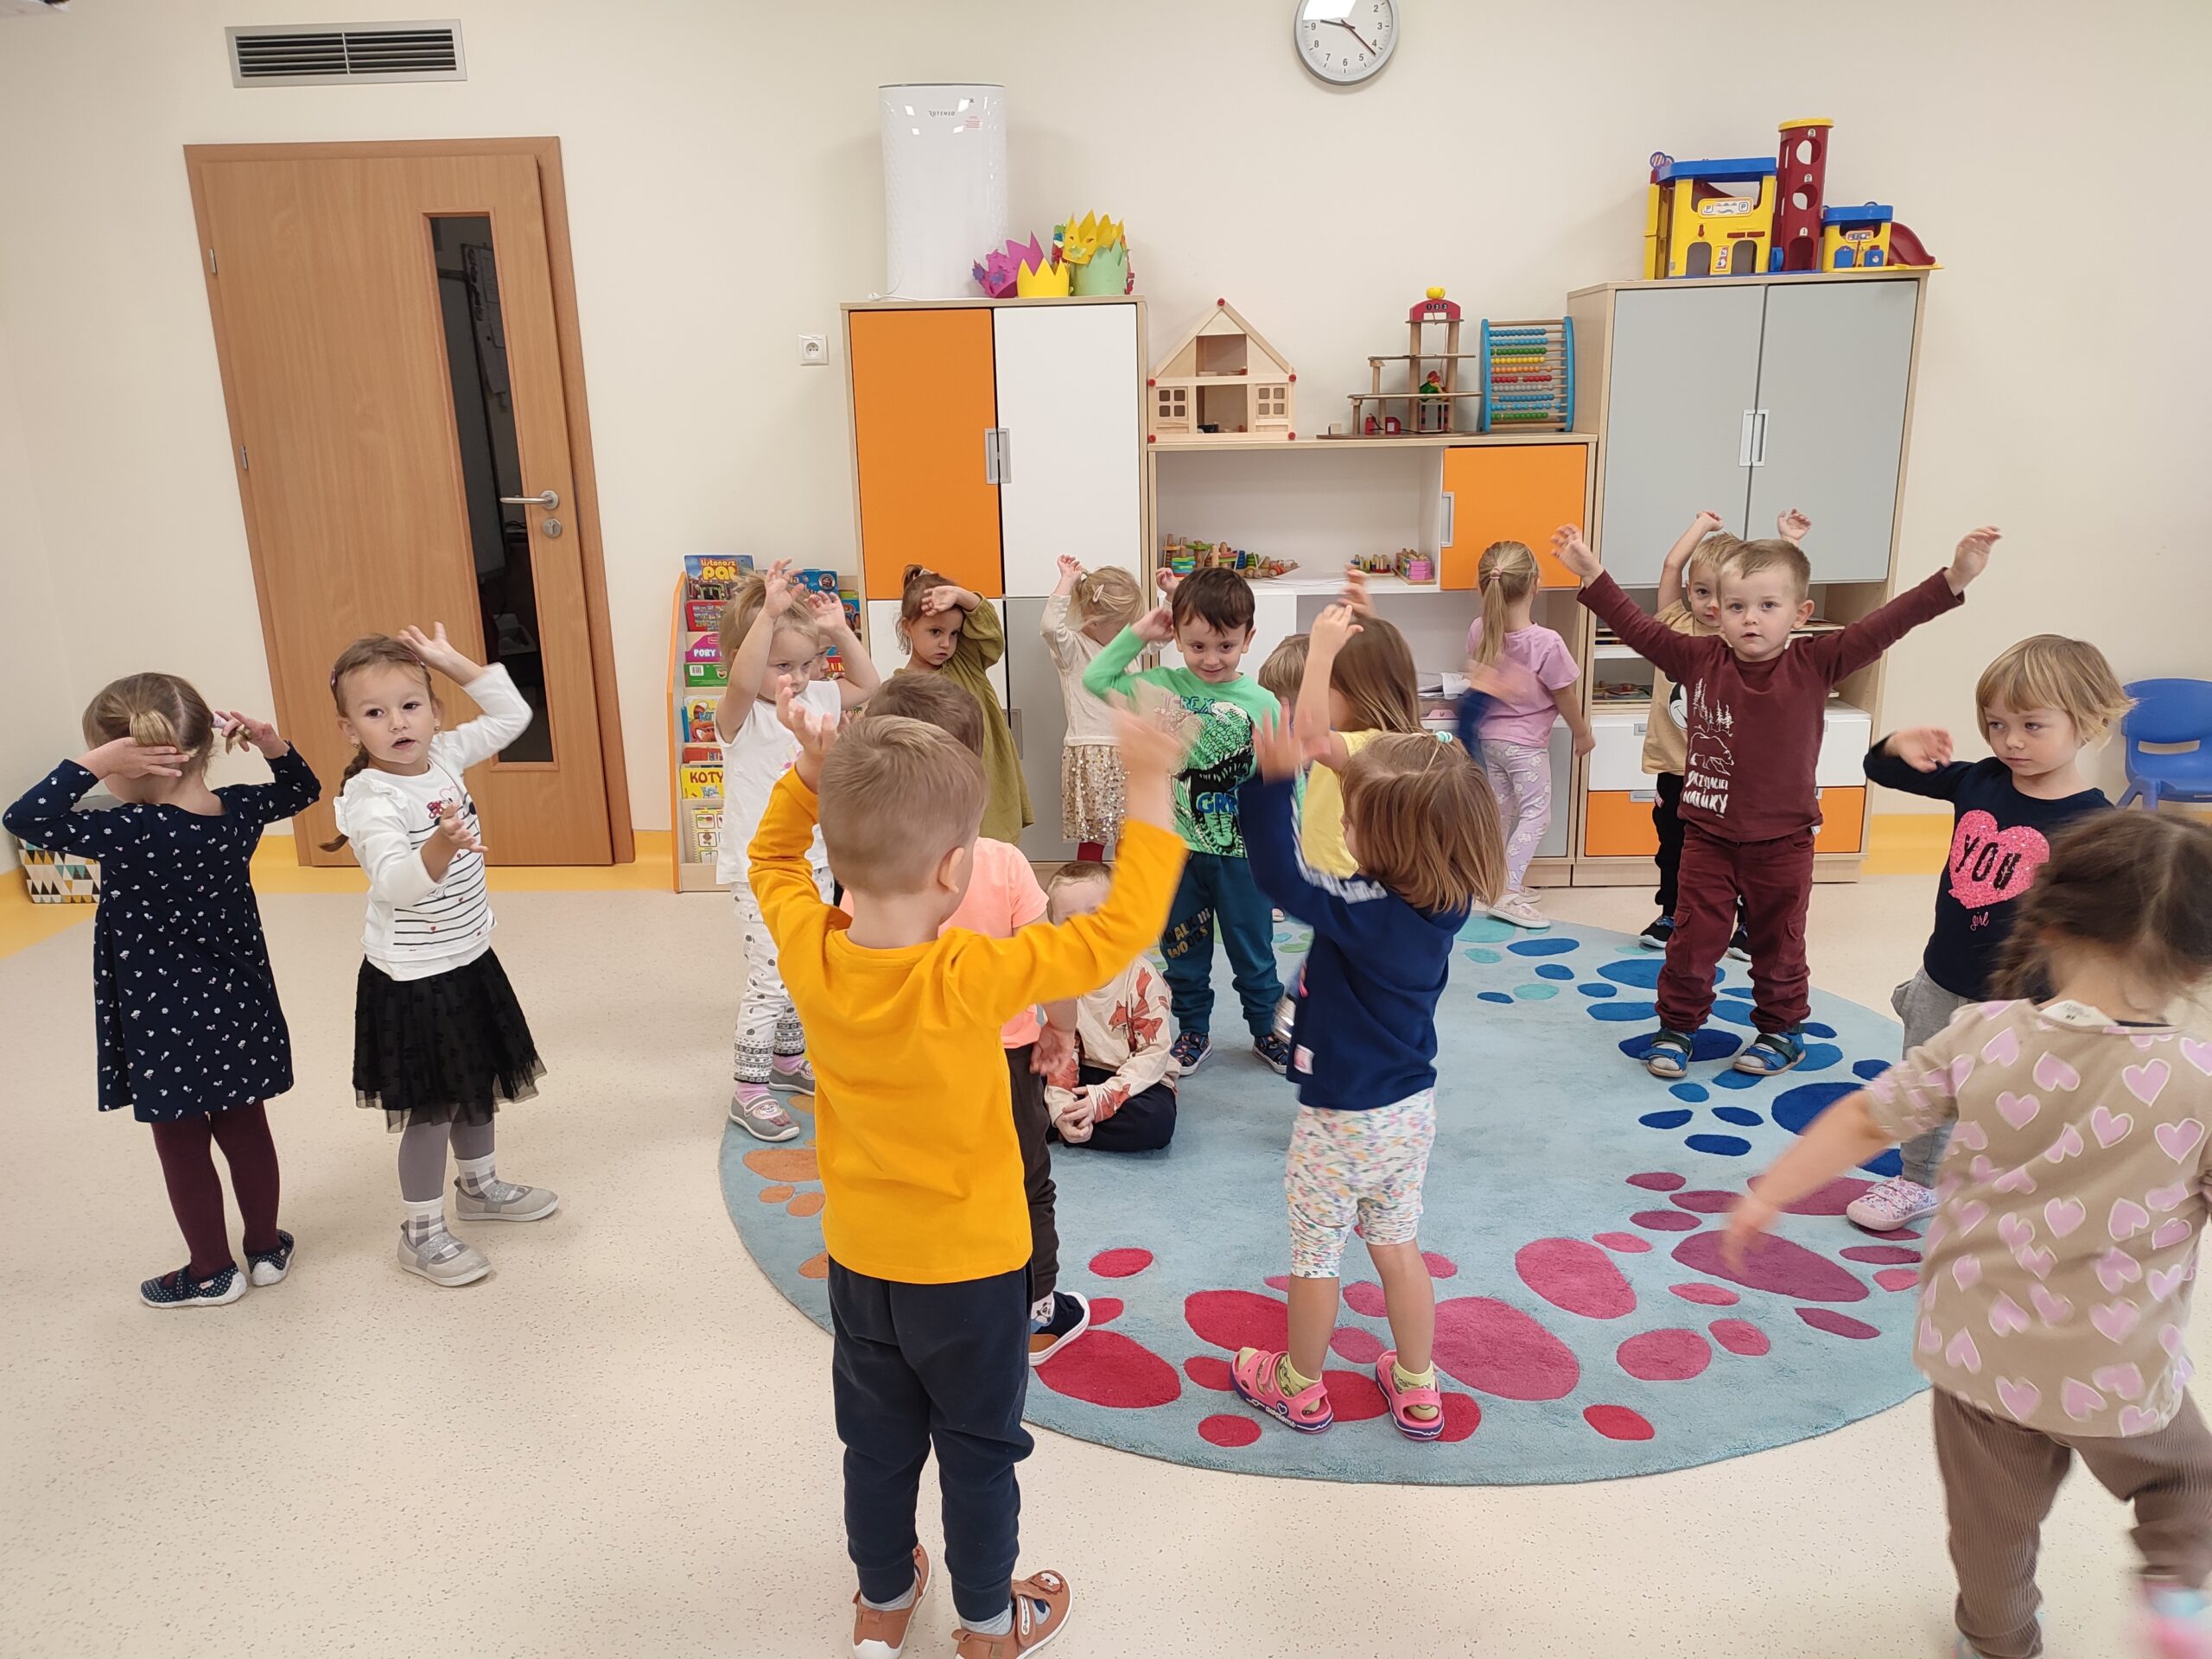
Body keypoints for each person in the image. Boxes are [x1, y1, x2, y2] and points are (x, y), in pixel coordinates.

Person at [752, 678, 1186, 1658]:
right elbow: (1117, 932)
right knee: (980, 1451)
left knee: (876, 1444)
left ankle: (881, 1599)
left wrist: (809, 775)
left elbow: (771, 859)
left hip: (861, 1263)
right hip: (974, 1271)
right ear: (956, 870)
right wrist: (1150, 781)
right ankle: (988, 1621)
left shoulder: (811, 951)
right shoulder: (969, 975)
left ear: (839, 858)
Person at [1726, 811, 2212, 1659]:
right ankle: (2177, 1589)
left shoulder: (1980, 1035)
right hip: (2115, 1359)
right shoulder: (2198, 1080)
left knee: (1991, 1528)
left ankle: (1996, 1642)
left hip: (1977, 1349)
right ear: (2197, 964)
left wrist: (1772, 1191)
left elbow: (1865, 1118)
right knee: (2185, 1480)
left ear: (2046, 922)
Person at [1559, 519, 1999, 1080]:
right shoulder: (1698, 659)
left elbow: (1888, 622)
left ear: (1800, 613)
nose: (1751, 618)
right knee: (1692, 942)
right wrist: (1593, 573)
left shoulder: (1816, 662)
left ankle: (1782, 1031)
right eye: (1737, 606)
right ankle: (1678, 1026)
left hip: (1783, 845)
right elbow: (1638, 628)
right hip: (1707, 840)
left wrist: (1955, 576)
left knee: (1779, 946)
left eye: (1768, 606)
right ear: (1717, 611)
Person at [1229, 709, 1505, 1438]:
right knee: (1397, 1245)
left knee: (1316, 1255)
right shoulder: (1447, 896)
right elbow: (1439, 791)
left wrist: (1271, 780)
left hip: (1340, 1121)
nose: (1344, 827)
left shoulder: (1365, 912)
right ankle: (1417, 1386)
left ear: (1389, 840)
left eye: (1352, 819)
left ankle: (1299, 1386)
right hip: (1409, 1113)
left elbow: (1280, 874)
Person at [4, 677, 318, 1307]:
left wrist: (94, 763)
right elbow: (301, 790)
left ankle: (211, 1272)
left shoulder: (128, 830)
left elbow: (25, 818)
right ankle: (265, 1250)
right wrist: (272, 744)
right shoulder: (238, 812)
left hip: (161, 1018)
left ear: (130, 761)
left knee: (181, 1143)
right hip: (239, 1005)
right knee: (247, 1127)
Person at [1844, 633, 2131, 1233]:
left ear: (2089, 721)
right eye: (1997, 725)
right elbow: (1880, 770)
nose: (2011, 741)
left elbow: (2111, 923)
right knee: (1926, 1083)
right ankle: (1916, 1181)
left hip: (2025, 1000)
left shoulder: (2096, 823)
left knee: (2010, 1097)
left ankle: (2005, 1187)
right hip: (1944, 972)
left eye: (2032, 726)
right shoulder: (1979, 780)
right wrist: (1896, 745)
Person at [852, 673, 1090, 1365]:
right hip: (1004, 1058)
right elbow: (1053, 968)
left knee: (927, 1176)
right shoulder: (1005, 863)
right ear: (975, 775)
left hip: (911, 1058)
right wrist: (1062, 1029)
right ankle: (1037, 1312)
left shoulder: (867, 876)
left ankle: (926, 1297)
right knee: (1025, 1176)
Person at [327, 625, 557, 1288]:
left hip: (468, 955)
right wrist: (441, 845)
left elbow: (513, 715)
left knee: (477, 1086)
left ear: (434, 711)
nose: (398, 722)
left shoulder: (446, 754)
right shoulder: (371, 798)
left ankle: (479, 1189)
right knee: (432, 1111)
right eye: (375, 713)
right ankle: (421, 1234)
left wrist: (453, 662)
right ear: (349, 730)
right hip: (412, 979)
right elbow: (396, 884)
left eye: (410, 705)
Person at [1082, 565, 1289, 1075]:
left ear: (1248, 639)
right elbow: (1096, 678)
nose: (1211, 659)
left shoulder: (1261, 703)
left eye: (1226, 646)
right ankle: (1193, 1030)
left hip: (1243, 857)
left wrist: (1287, 845)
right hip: (1175, 855)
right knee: (1181, 951)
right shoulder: (1160, 685)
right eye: (1197, 646)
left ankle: (1266, 1029)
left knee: (1254, 952)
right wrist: (1138, 633)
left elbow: (1283, 776)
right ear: (1176, 636)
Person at [713, 559, 880, 1142]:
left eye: (808, 664)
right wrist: (768, 616)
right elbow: (743, 683)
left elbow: (869, 685)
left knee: (803, 964)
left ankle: (787, 1060)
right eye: (782, 666)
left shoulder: (823, 697)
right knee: (771, 977)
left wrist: (838, 631)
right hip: (758, 868)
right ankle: (748, 1088)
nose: (799, 677)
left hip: (816, 861)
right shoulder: (740, 717)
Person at [1637, 509, 1811, 952]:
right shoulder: (1675, 625)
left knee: (1742, 854)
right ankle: (1673, 913)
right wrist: (1701, 525)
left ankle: (1749, 923)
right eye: (1701, 592)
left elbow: (1780, 590)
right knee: (1674, 849)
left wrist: (1789, 542)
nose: (1712, 605)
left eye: (1724, 596)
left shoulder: (1743, 640)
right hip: (1677, 770)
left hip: (1732, 777)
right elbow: (1671, 566)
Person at [1465, 539, 1592, 930]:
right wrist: (1582, 733)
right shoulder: (1547, 642)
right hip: (1525, 747)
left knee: (1503, 812)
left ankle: (1496, 882)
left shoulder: (1479, 629)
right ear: (1536, 584)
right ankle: (1507, 892)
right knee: (1537, 814)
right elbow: (1565, 695)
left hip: (1489, 741)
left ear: (1484, 588)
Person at [1296, 572, 1446, 880]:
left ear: (1356, 693)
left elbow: (1310, 737)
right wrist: (1368, 623)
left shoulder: (1366, 748)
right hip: (1339, 878)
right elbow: (1382, 668)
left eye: (1327, 688)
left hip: (1343, 880)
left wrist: (1320, 655)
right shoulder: (1391, 741)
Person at [1039, 862, 1179, 1154]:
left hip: (1137, 1077)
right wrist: (1060, 1106)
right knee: (1021, 1086)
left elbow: (1153, 1054)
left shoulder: (1141, 978)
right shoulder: (1060, 979)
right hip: (1084, 1070)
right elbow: (1063, 1049)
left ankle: (1070, 1127)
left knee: (1156, 1122)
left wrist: (1102, 1100)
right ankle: (1070, 1122)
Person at [894, 563, 1032, 843]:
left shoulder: (966, 662)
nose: (946, 643)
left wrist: (960, 595)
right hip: (943, 804)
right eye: (935, 632)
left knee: (996, 856)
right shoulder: (900, 690)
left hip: (989, 794)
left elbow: (991, 634)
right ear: (908, 627)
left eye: (954, 634)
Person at [1040, 555, 1142, 861]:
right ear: (1096, 622)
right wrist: (1066, 582)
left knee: (1130, 832)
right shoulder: (1073, 650)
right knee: (1094, 837)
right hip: (1094, 753)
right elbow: (1050, 628)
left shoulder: (1124, 648)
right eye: (1122, 627)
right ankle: (1087, 885)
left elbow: (1159, 636)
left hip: (1129, 752)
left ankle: (1127, 886)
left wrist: (1172, 597)